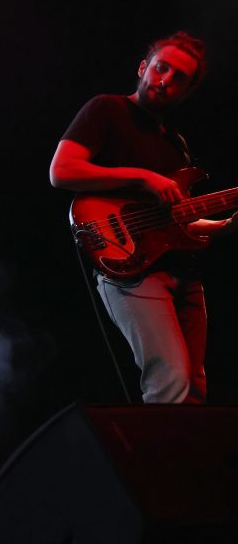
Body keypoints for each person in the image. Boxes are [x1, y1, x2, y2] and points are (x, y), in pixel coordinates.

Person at [49, 32, 235, 403]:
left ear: (187, 91)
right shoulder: (107, 109)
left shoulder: (176, 143)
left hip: (182, 271)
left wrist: (226, 226)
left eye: (179, 77)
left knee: (194, 387)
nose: (165, 80)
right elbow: (61, 170)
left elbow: (179, 222)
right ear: (143, 68)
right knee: (171, 380)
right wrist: (143, 177)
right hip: (130, 266)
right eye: (161, 68)